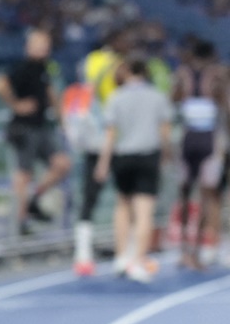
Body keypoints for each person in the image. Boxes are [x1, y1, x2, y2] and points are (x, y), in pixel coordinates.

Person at [94, 57, 173, 283]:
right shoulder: (157, 97)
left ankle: (121, 257)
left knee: (122, 205)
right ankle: (138, 260)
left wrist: (103, 163)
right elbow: (165, 132)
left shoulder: (116, 97)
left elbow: (110, 134)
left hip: (123, 156)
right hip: (148, 155)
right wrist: (167, 155)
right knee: (144, 212)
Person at [0, 28, 71, 236]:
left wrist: (62, 120)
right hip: (24, 127)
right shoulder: (24, 67)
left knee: (62, 164)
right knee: (23, 174)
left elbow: (51, 93)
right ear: (29, 46)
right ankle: (21, 221)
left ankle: (34, 200)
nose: (45, 48)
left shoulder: (44, 68)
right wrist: (16, 105)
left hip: (42, 126)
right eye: (40, 44)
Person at [72, 28, 131, 275]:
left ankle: (83, 255)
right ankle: (125, 254)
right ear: (115, 41)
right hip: (114, 135)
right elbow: (121, 93)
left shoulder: (88, 62)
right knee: (126, 195)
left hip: (93, 136)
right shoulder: (118, 64)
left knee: (90, 196)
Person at [170, 39, 229, 269]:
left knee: (185, 194)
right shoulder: (216, 77)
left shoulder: (182, 75)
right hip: (208, 142)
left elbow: (173, 100)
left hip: (187, 140)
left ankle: (185, 250)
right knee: (206, 195)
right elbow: (225, 107)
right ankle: (194, 250)